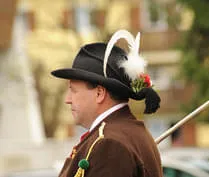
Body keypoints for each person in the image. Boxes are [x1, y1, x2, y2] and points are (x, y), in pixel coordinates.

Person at [51, 30, 163, 177]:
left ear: (99, 93)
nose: (68, 99)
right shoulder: (127, 133)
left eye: (74, 90)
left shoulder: (110, 143)